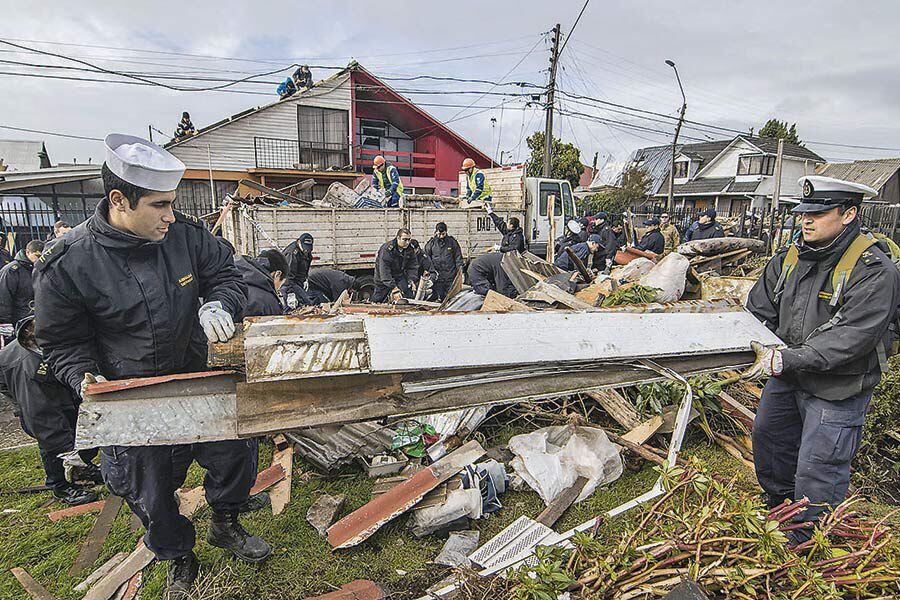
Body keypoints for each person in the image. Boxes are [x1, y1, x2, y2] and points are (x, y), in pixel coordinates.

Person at [33, 134, 268, 599]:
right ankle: (178, 554)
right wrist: (83, 376)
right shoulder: (69, 263)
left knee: (233, 454)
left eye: (173, 204)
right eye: (160, 205)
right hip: (131, 392)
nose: (171, 215)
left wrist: (217, 302)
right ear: (120, 200)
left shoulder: (183, 236)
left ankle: (225, 520)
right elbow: (59, 340)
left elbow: (226, 272)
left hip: (197, 374)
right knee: (150, 489)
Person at [744, 175, 900, 545]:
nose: (806, 220)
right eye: (803, 213)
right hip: (789, 375)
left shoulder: (874, 270)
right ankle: (778, 509)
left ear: (849, 214)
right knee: (769, 440)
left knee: (819, 465)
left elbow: (851, 337)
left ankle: (807, 539)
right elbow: (757, 310)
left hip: (839, 385)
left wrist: (787, 359)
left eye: (819, 213)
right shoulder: (790, 258)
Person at [0, 317, 100, 505]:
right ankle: (59, 485)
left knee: (76, 419)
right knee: (51, 435)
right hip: (28, 384)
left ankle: (82, 468)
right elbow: (43, 420)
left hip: (53, 381)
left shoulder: (56, 335)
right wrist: (67, 451)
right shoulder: (31, 369)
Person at [0, 240, 44, 338]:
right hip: (19, 320)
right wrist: (5, 322)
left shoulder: (40, 268)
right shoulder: (11, 271)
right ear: (28, 252)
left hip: (36, 318)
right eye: (37, 256)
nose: (39, 259)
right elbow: (3, 297)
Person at [372, 228, 417, 303]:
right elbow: (384, 271)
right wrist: (394, 288)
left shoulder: (409, 249)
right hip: (383, 279)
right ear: (398, 238)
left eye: (409, 239)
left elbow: (413, 266)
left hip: (399, 276)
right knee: (378, 299)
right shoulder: (387, 249)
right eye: (405, 239)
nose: (407, 242)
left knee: (408, 297)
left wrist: (411, 280)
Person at [425, 222, 464, 301]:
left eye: (443, 234)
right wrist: (430, 271)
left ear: (446, 232)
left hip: (450, 275)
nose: (441, 236)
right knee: (440, 296)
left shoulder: (452, 242)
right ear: (436, 232)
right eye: (439, 234)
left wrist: (460, 271)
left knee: (450, 296)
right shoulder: (431, 243)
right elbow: (426, 258)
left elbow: (458, 257)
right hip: (438, 276)